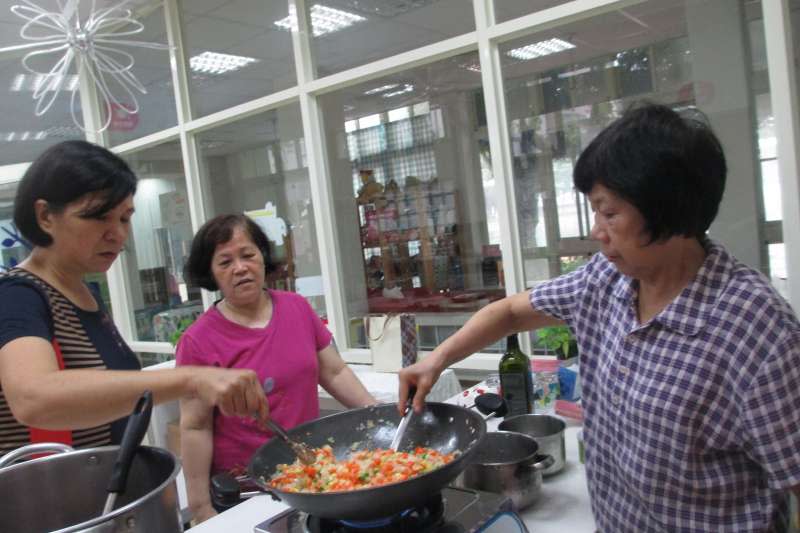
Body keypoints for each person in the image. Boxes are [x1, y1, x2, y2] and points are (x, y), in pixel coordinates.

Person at [398, 103, 800, 532]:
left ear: (669, 209)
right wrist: (435, 360)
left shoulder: (754, 325)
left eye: (610, 213)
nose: (596, 230)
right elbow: (511, 312)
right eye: (594, 211)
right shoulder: (605, 279)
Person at [0, 140, 268, 458]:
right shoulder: (18, 295)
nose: (118, 234)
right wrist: (192, 377)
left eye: (125, 218)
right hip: (48, 500)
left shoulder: (80, 294)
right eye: (100, 216)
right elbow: (34, 398)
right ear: (45, 216)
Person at [177, 214, 376, 523]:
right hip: (245, 491)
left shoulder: (296, 307)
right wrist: (200, 507)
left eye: (248, 255)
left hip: (309, 475)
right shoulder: (198, 341)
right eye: (225, 262)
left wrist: (379, 416)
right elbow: (195, 426)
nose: (240, 268)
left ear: (262, 257)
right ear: (211, 273)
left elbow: (334, 372)